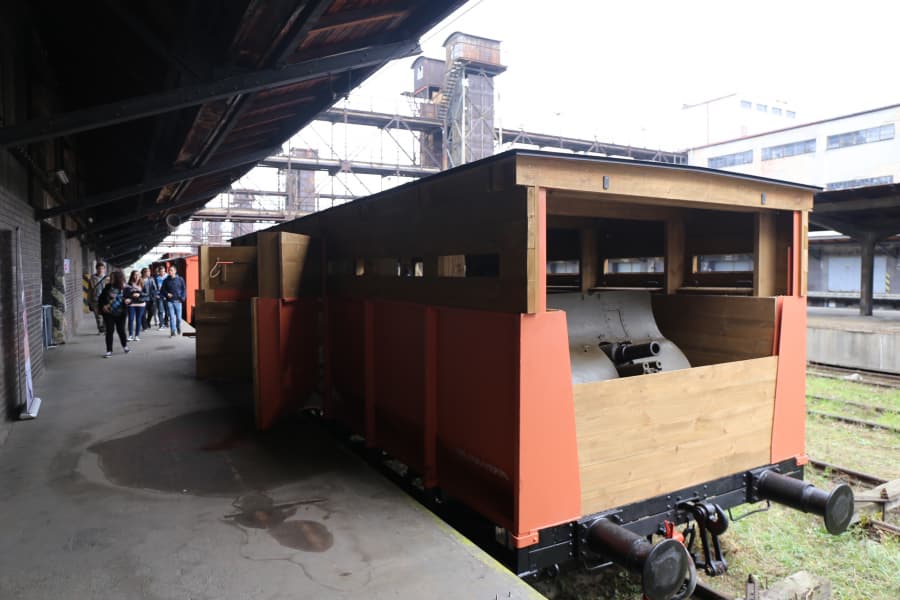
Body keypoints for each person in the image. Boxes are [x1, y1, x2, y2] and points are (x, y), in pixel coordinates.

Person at [98, 270, 131, 357]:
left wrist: (129, 300)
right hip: (109, 313)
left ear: (117, 278)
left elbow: (130, 298)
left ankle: (125, 346)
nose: (110, 279)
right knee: (109, 331)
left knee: (121, 330)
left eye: (112, 277)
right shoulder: (108, 287)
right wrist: (103, 306)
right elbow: (101, 298)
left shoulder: (126, 288)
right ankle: (109, 351)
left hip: (121, 313)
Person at [160, 265, 186, 337]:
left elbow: (184, 289)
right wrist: (167, 294)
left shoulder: (180, 279)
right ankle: (173, 331)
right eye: (169, 270)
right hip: (170, 301)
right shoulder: (166, 280)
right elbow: (162, 290)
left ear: (175, 271)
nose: (170, 272)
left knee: (179, 318)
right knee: (171, 317)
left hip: (178, 301)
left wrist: (182, 298)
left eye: (171, 270)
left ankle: (178, 326)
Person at [125, 270, 147, 341]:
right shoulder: (128, 284)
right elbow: (125, 294)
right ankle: (130, 335)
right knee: (131, 319)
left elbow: (146, 293)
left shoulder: (142, 283)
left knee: (138, 319)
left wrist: (139, 294)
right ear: (132, 276)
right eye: (135, 275)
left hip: (141, 303)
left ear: (140, 275)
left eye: (138, 274)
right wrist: (131, 295)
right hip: (131, 303)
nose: (136, 276)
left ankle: (137, 335)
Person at [88, 262, 108, 334]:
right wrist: (89, 301)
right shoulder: (92, 278)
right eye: (99, 269)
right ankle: (100, 329)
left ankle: (104, 328)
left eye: (102, 269)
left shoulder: (107, 278)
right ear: (96, 269)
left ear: (104, 269)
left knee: (105, 314)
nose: (100, 270)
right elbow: (90, 290)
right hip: (95, 299)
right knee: (98, 316)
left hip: (105, 299)